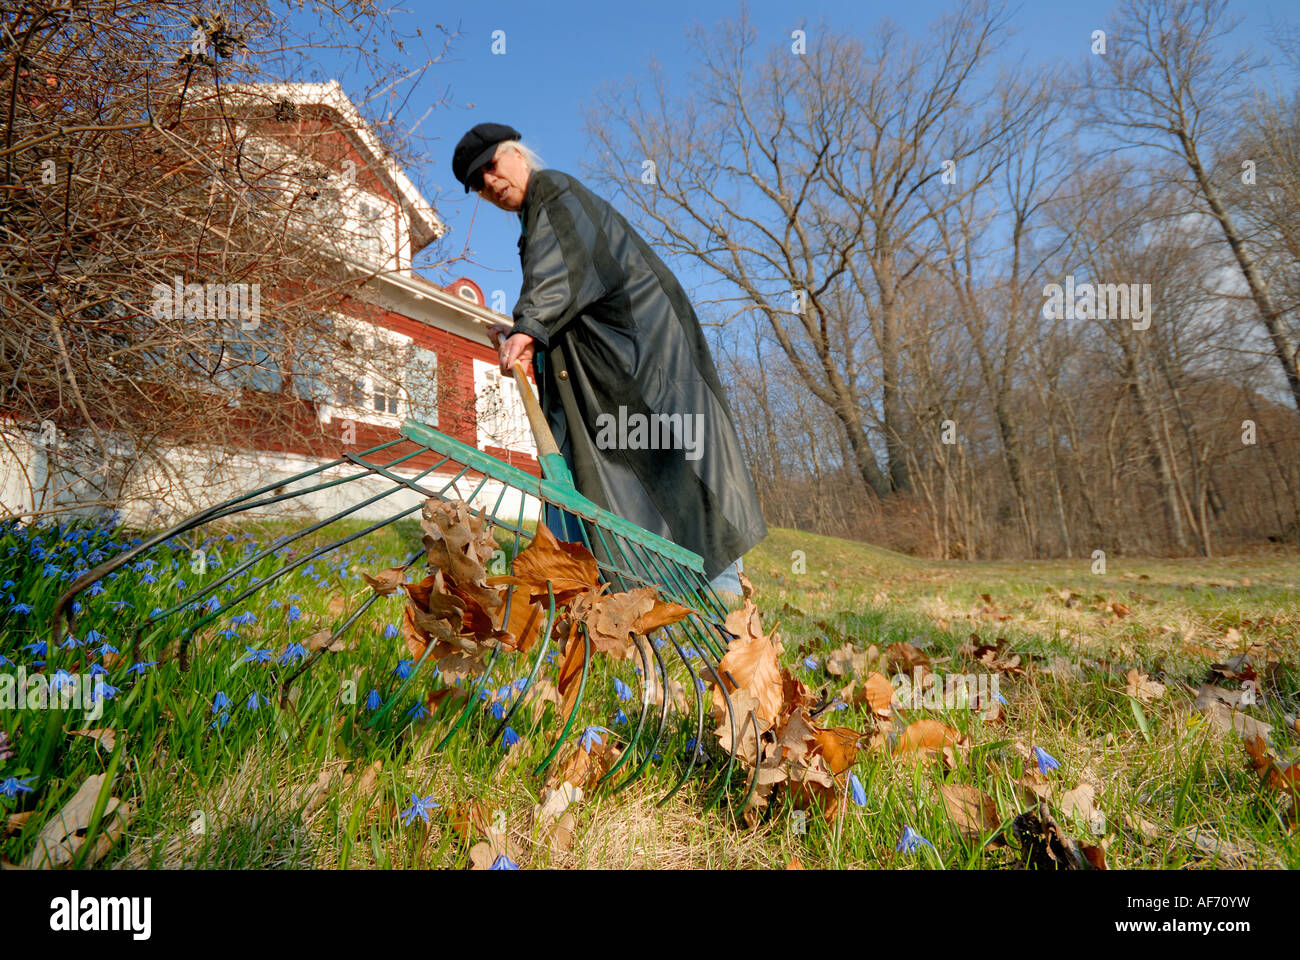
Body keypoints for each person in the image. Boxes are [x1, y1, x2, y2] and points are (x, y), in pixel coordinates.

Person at [451, 122, 765, 599]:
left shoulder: (554, 192)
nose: (490, 185)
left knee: (686, 478)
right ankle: (619, 604)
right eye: (478, 184)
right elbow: (564, 282)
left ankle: (726, 609)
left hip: (647, 369)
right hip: (615, 382)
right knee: (618, 488)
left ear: (517, 153)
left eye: (491, 167)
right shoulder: (537, 223)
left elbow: (559, 270)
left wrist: (530, 324)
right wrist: (526, 329)